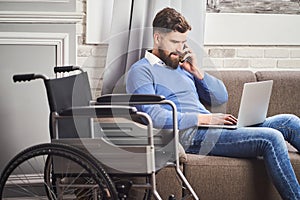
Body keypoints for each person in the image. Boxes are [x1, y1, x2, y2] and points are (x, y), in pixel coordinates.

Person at [126, 7, 300, 199]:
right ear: (157, 38)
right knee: (272, 138)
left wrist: (197, 72)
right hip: (188, 135)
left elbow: (220, 97)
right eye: (174, 42)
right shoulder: (141, 71)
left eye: (183, 42)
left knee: (289, 122)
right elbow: (154, 117)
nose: (180, 48)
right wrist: (205, 118)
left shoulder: (181, 66)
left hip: (210, 127)